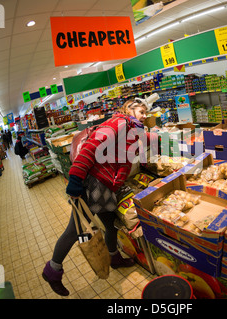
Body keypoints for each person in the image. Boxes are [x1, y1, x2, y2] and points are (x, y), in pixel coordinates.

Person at [42, 96, 159, 296]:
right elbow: (89, 148)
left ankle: (114, 257)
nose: (144, 116)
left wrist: (160, 135)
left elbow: (144, 139)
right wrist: (76, 181)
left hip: (106, 186)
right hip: (93, 183)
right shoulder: (118, 122)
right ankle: (52, 270)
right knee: (75, 230)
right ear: (129, 109)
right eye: (141, 112)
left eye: (146, 113)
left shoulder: (131, 128)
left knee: (111, 222)